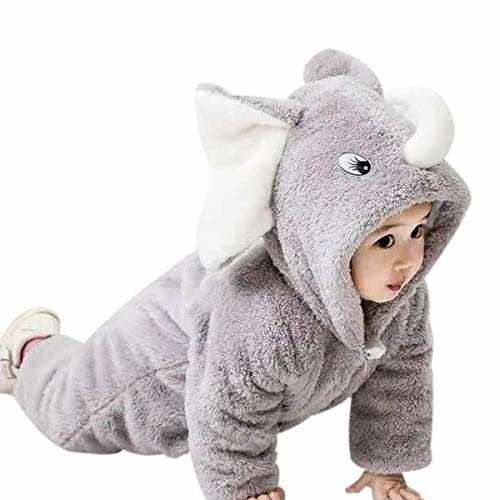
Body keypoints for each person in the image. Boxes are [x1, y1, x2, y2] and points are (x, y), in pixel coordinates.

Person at [0, 49, 471, 500]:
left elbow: (401, 373)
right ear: (321, 230)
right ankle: (31, 350)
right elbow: (225, 412)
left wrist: (386, 461)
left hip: (214, 354)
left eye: (418, 230)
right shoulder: (266, 316)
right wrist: (245, 487)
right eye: (384, 241)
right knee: (68, 418)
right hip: (148, 371)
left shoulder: (401, 297)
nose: (408, 260)